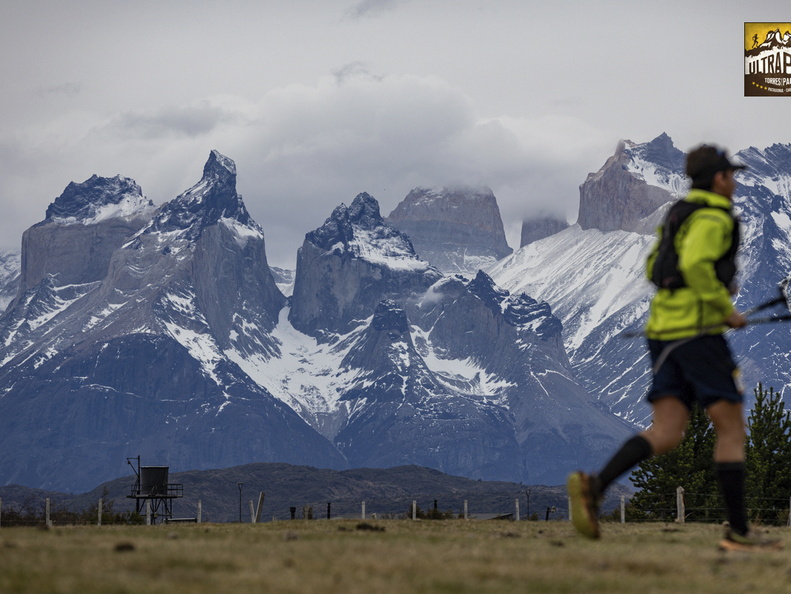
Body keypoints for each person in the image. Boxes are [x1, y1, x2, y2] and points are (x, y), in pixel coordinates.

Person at [567, 144, 783, 552]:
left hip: (663, 331)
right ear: (718, 178)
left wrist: (709, 290)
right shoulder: (715, 217)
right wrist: (724, 307)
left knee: (667, 432)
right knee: (732, 428)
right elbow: (697, 266)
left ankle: (594, 486)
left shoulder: (678, 214)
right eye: (731, 175)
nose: (734, 182)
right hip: (698, 333)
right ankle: (738, 531)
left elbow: (656, 268)